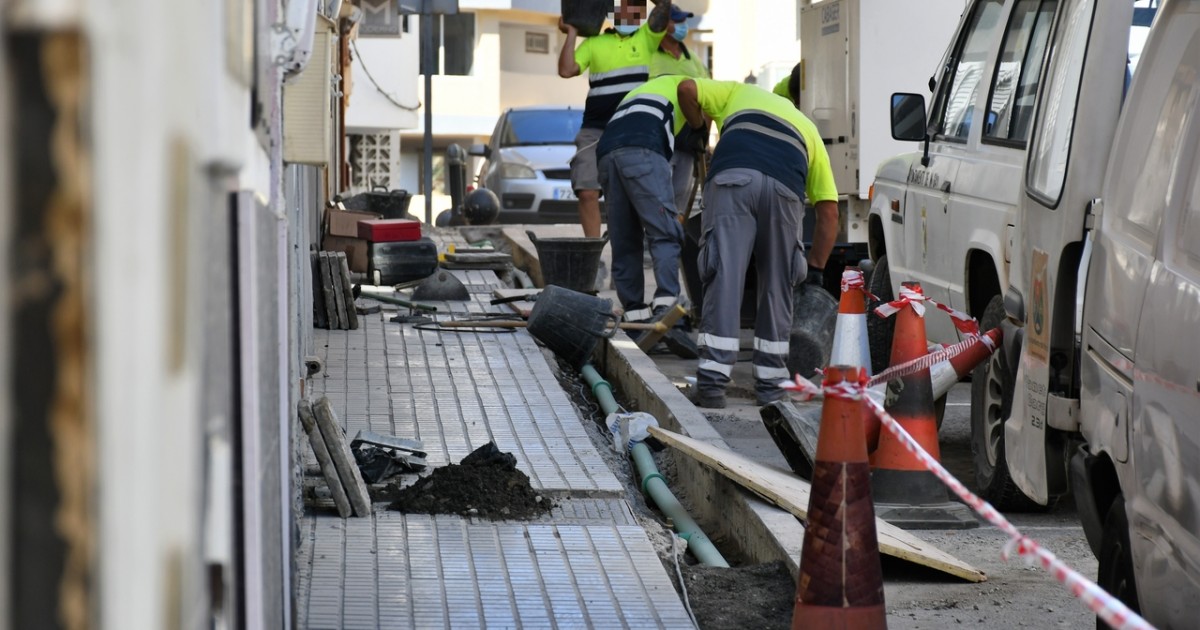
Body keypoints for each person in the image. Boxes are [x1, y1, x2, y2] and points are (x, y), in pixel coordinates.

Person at [677, 73, 840, 409]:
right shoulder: (808, 130)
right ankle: (771, 389)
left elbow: (687, 88)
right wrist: (815, 269)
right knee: (779, 284)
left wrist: (698, 128)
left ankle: (712, 386)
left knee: (724, 276)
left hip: (733, 178)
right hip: (785, 189)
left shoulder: (736, 92)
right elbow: (829, 213)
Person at [595, 75, 699, 359]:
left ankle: (635, 318)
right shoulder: (690, 88)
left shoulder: (638, 93)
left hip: (606, 152)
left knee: (624, 237)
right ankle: (667, 310)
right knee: (664, 231)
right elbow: (699, 124)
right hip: (642, 149)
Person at [558, 0, 673, 238]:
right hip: (594, 129)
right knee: (587, 191)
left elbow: (664, 4)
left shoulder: (647, 38)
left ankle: (635, 244)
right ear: (612, 13)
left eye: (635, 9)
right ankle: (593, 249)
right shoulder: (594, 42)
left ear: (641, 14)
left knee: (632, 194)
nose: (629, 14)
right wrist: (571, 32)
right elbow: (566, 70)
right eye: (623, 8)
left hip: (632, 130)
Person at [650, 5, 709, 216]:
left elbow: (707, 96)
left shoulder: (692, 58)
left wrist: (703, 137)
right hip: (657, 137)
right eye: (677, 21)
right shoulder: (649, 55)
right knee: (657, 195)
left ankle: (674, 232)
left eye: (683, 20)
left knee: (680, 197)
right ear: (662, 24)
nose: (683, 25)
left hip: (686, 139)